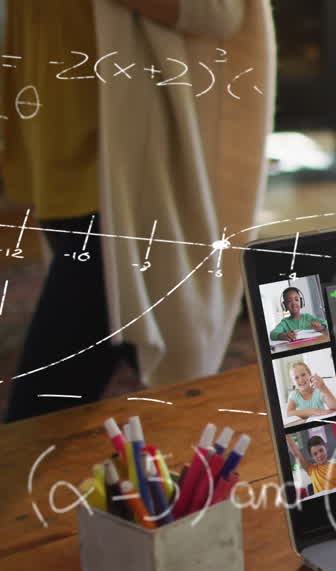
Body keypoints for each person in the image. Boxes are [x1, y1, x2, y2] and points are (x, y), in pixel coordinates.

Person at [1, 0, 276, 422]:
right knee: (131, 365)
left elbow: (219, 11)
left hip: (120, 182)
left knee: (38, 414)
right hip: (58, 158)